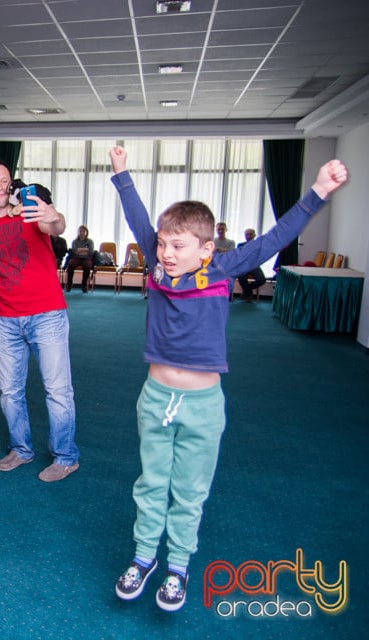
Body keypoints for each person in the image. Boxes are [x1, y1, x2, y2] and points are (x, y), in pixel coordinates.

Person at [108, 146, 347, 612]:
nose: (166, 254)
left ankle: (177, 565)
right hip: (156, 398)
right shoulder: (158, 271)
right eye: (162, 244)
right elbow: (136, 214)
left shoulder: (223, 270)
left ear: (206, 249)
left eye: (178, 247)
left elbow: (277, 237)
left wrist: (318, 191)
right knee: (152, 483)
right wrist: (121, 173)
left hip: (202, 405)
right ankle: (143, 557)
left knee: (190, 491)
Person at [0, 162, 81, 482]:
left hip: (47, 315)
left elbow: (56, 226)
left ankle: (65, 456)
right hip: (8, 320)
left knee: (58, 391)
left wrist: (54, 217)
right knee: (8, 391)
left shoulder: (29, 212)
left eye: (4, 180)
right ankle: (21, 449)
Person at [235, 228, 267, 302]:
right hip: (243, 266)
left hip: (254, 267)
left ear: (254, 235)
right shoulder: (240, 245)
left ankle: (246, 291)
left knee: (262, 280)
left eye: (250, 234)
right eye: (247, 234)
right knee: (241, 278)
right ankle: (248, 294)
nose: (248, 236)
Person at [65, 225, 94, 292]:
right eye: (80, 231)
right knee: (70, 265)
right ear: (78, 232)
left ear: (86, 232)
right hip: (76, 257)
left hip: (87, 258)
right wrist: (85, 249)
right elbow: (75, 251)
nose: (82, 233)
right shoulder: (74, 241)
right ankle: (69, 284)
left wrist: (79, 250)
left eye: (83, 231)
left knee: (87, 266)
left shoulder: (90, 241)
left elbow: (91, 252)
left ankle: (84, 285)